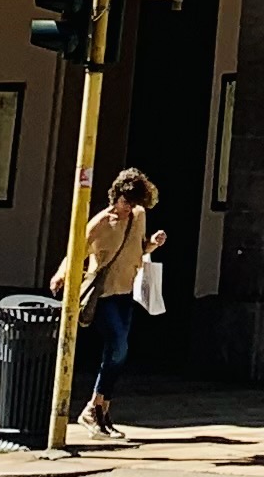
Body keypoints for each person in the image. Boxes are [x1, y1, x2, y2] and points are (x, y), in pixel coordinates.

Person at [68, 169, 162, 437]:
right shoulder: (99, 223)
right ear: (116, 196)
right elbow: (75, 252)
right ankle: (93, 409)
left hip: (126, 292)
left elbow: (138, 249)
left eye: (134, 203)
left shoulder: (138, 216)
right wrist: (61, 276)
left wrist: (152, 244)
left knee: (118, 352)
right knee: (118, 347)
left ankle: (101, 410)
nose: (128, 208)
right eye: (125, 202)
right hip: (104, 295)